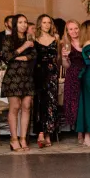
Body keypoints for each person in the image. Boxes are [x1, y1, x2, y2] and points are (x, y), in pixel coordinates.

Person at [1, 14, 36, 153]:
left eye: (25, 22)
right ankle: (14, 139)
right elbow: (6, 57)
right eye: (20, 22)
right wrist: (23, 48)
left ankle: (23, 138)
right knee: (15, 107)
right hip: (13, 77)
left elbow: (34, 56)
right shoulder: (8, 39)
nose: (23, 24)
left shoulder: (30, 38)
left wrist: (21, 57)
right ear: (14, 24)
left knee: (27, 106)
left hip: (27, 77)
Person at [32, 15, 60, 148]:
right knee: (40, 102)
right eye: (44, 22)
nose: (47, 25)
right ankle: (41, 133)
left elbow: (58, 58)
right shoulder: (33, 38)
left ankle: (49, 133)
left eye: (49, 22)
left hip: (52, 73)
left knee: (51, 102)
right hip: (38, 73)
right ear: (40, 24)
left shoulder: (56, 38)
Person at [60, 20, 85, 145]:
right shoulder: (65, 44)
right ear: (67, 31)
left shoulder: (86, 42)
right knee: (76, 103)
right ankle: (79, 132)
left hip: (86, 74)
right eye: (71, 29)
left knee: (86, 102)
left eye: (76, 28)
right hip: (73, 76)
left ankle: (89, 130)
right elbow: (66, 66)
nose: (74, 31)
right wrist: (64, 58)